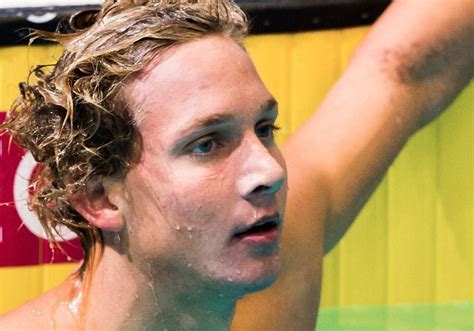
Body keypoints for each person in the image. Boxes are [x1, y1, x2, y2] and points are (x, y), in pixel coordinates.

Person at [0, 0, 472, 329]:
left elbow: (402, 72)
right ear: (100, 198)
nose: (269, 172)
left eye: (265, 128)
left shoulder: (279, 253)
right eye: (206, 144)